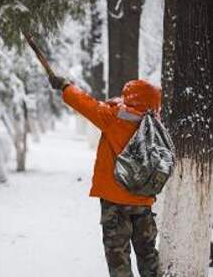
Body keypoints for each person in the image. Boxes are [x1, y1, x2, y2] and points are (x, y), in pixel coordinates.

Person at [49, 75, 162, 277]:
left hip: (114, 202)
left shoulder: (113, 118)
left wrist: (66, 86)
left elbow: (85, 104)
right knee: (148, 255)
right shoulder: (154, 125)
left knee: (118, 257)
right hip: (143, 201)